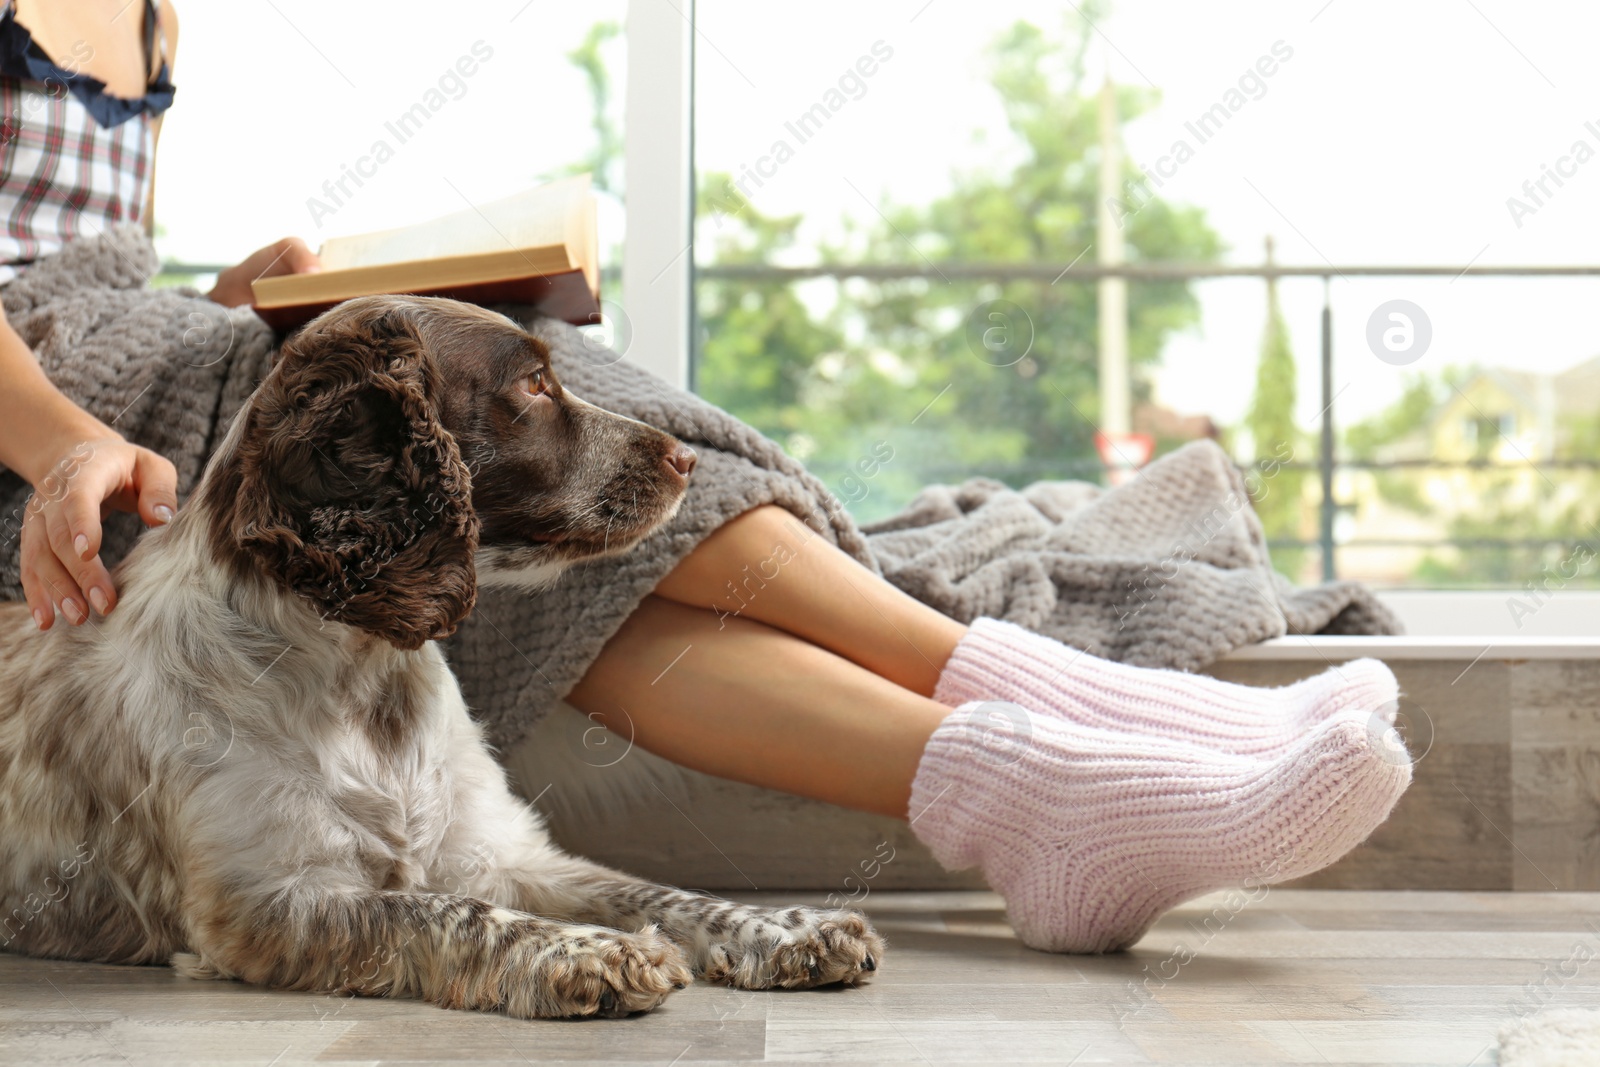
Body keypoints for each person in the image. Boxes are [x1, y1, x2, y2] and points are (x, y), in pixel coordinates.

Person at [0, 0, 1411, 955]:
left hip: (142, 341)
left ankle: (1036, 758)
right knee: (523, 413)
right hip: (46, 408)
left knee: (548, 427)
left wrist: (234, 288)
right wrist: (63, 440)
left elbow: (84, 231)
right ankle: (1044, 753)